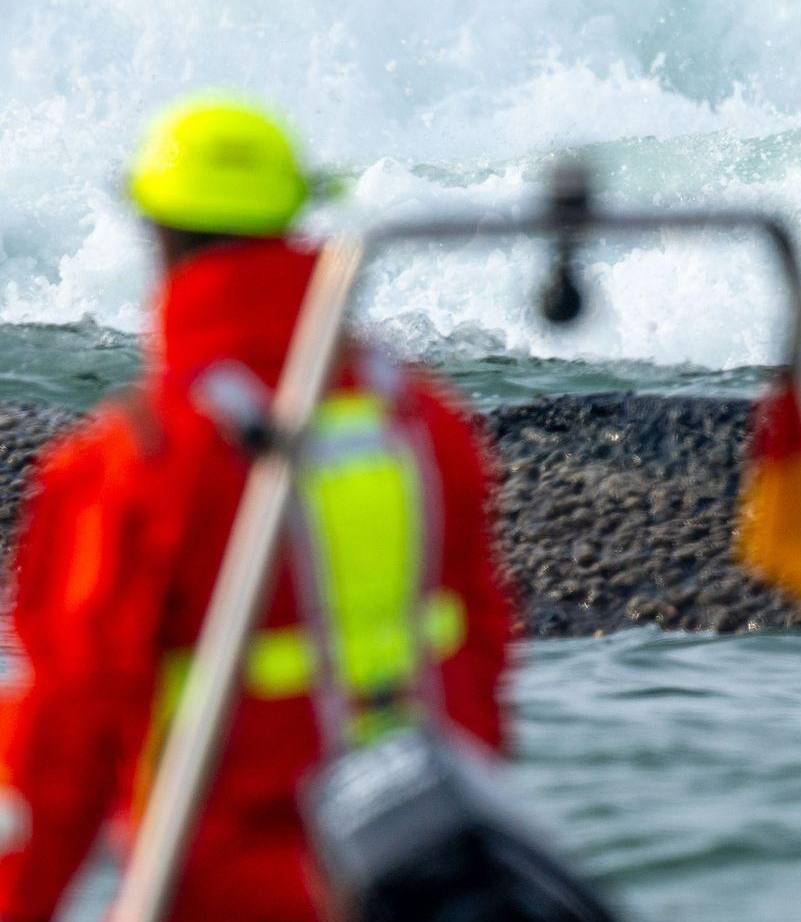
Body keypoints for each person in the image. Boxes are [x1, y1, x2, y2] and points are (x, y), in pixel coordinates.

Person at [0, 96, 515, 920]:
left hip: (220, 884)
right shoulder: (420, 423)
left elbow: (64, 739)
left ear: (156, 234)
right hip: (423, 874)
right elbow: (480, 652)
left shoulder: (135, 460)